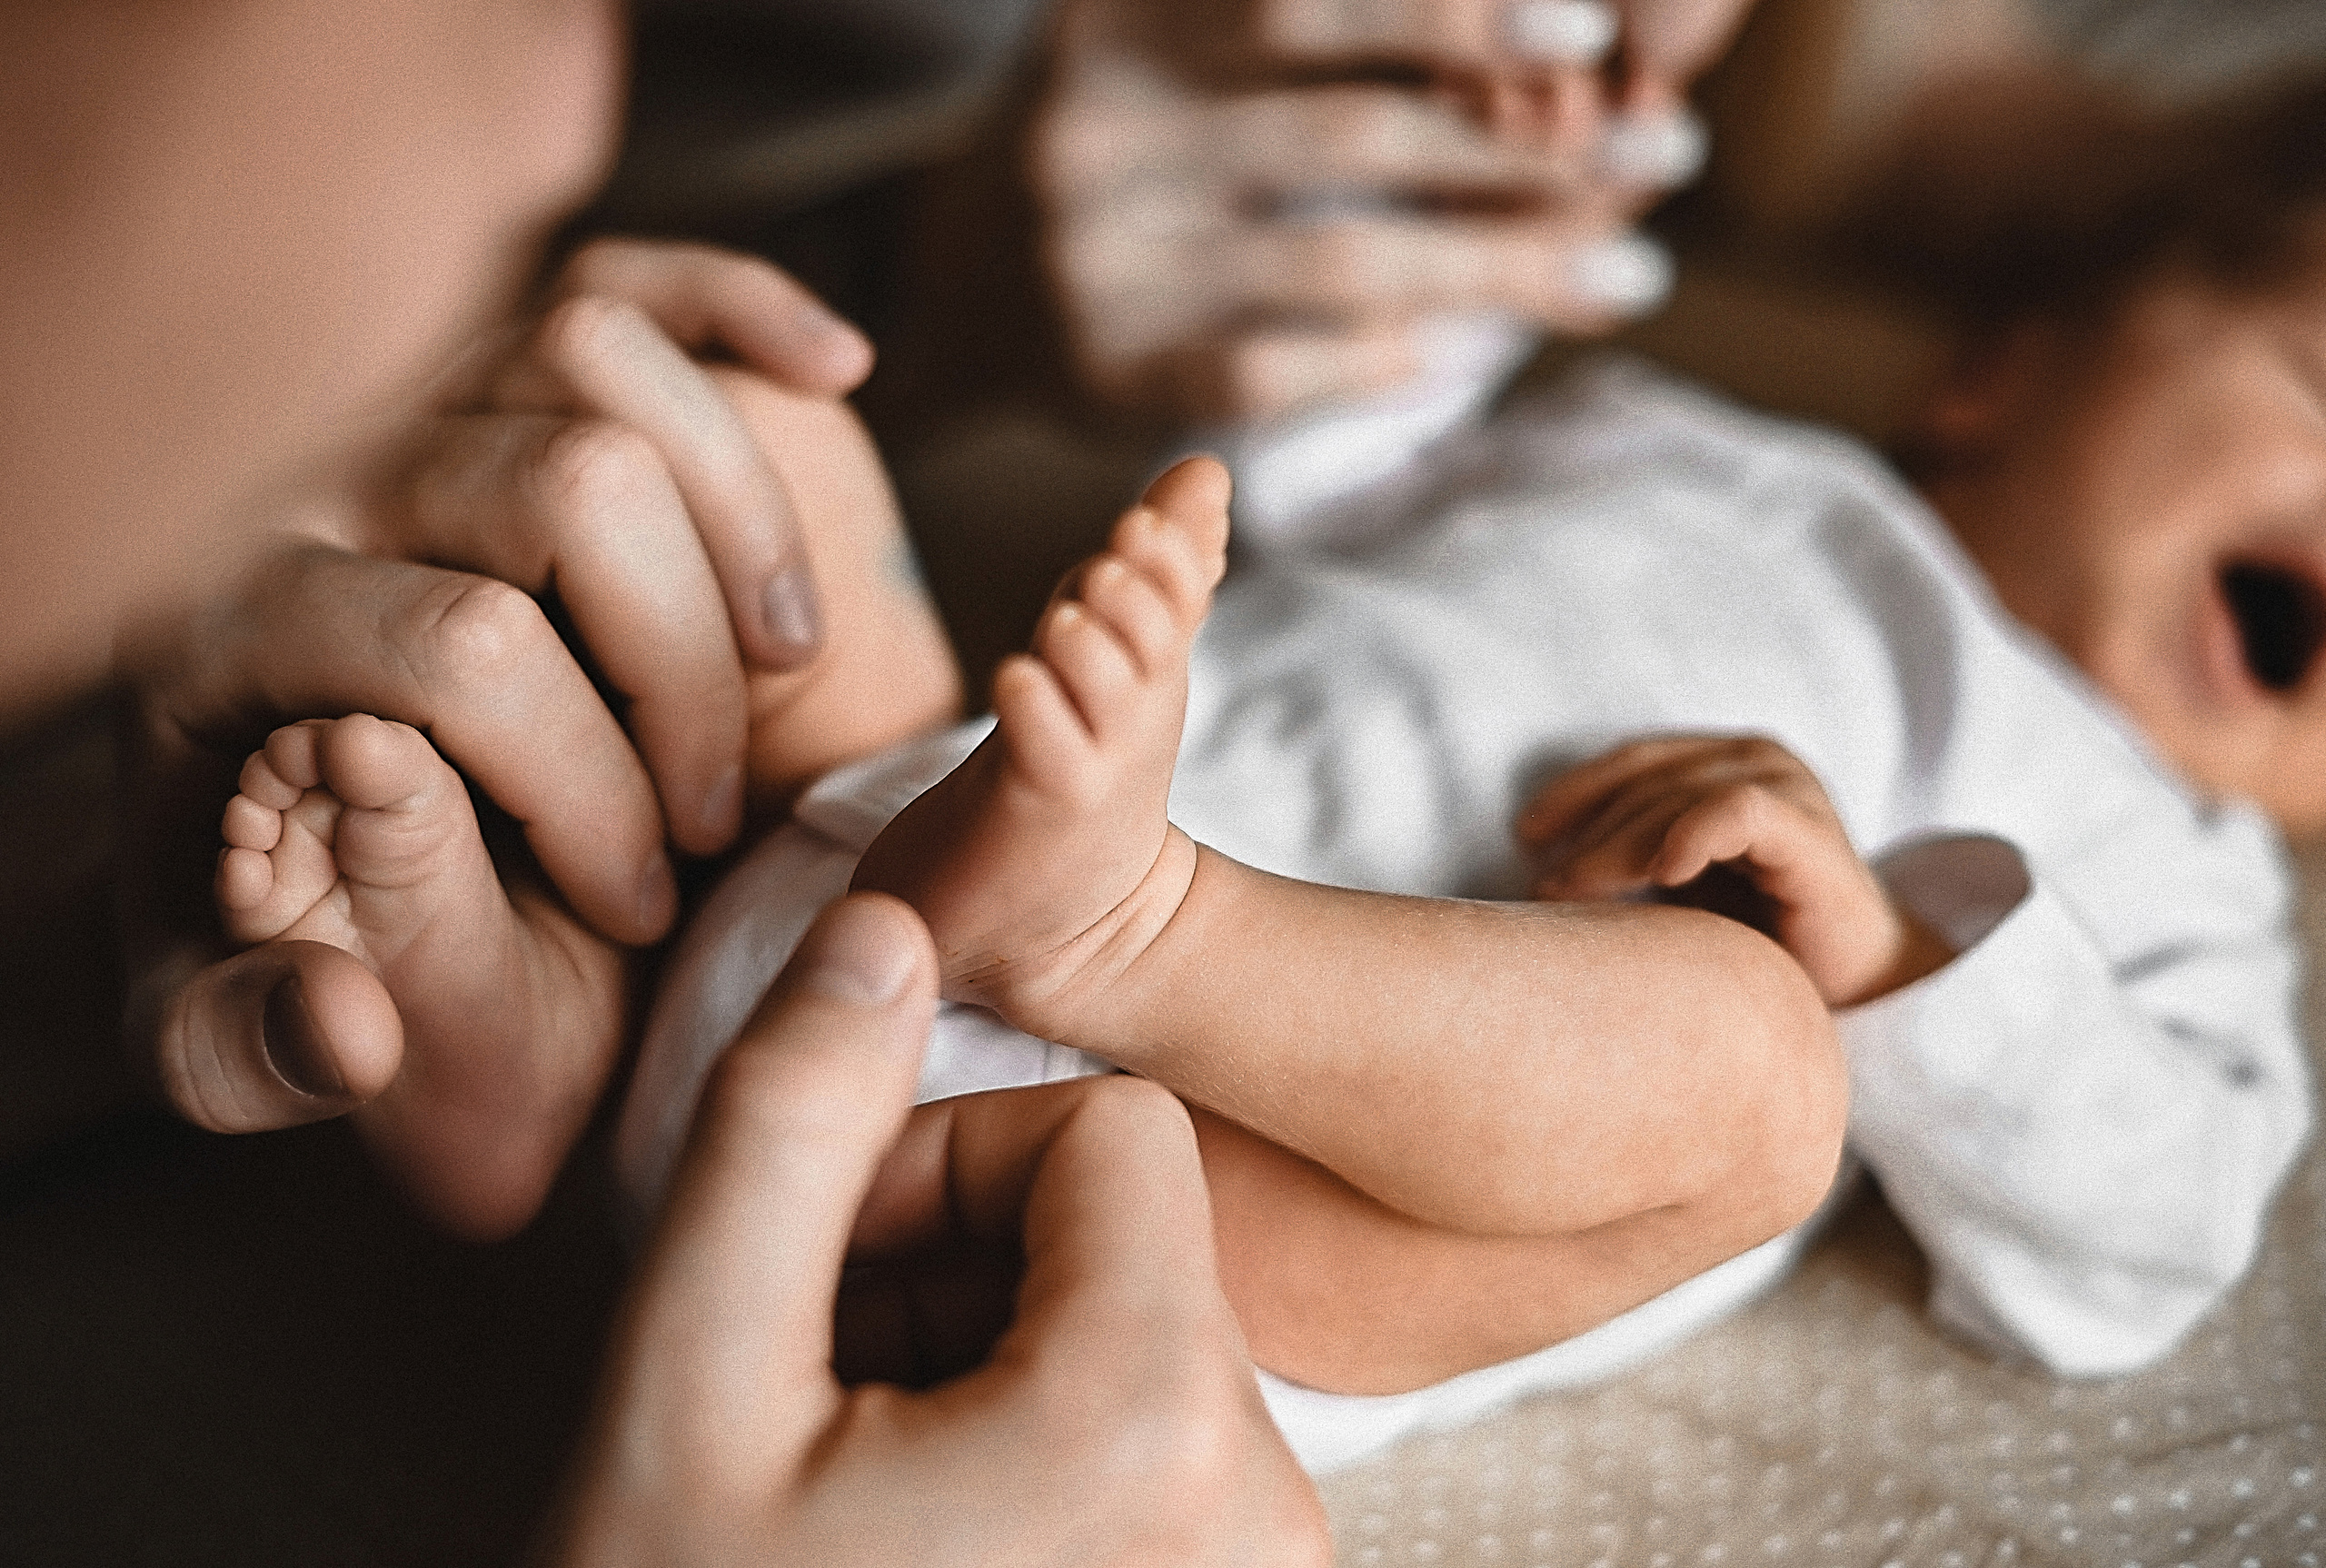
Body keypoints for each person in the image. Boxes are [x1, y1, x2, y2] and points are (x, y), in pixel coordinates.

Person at [4, 1, 1328, 1559]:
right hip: (937, 970)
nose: (581, 99)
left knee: (752, 457)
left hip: (741, 886)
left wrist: (944, 263)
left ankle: (524, 1025)